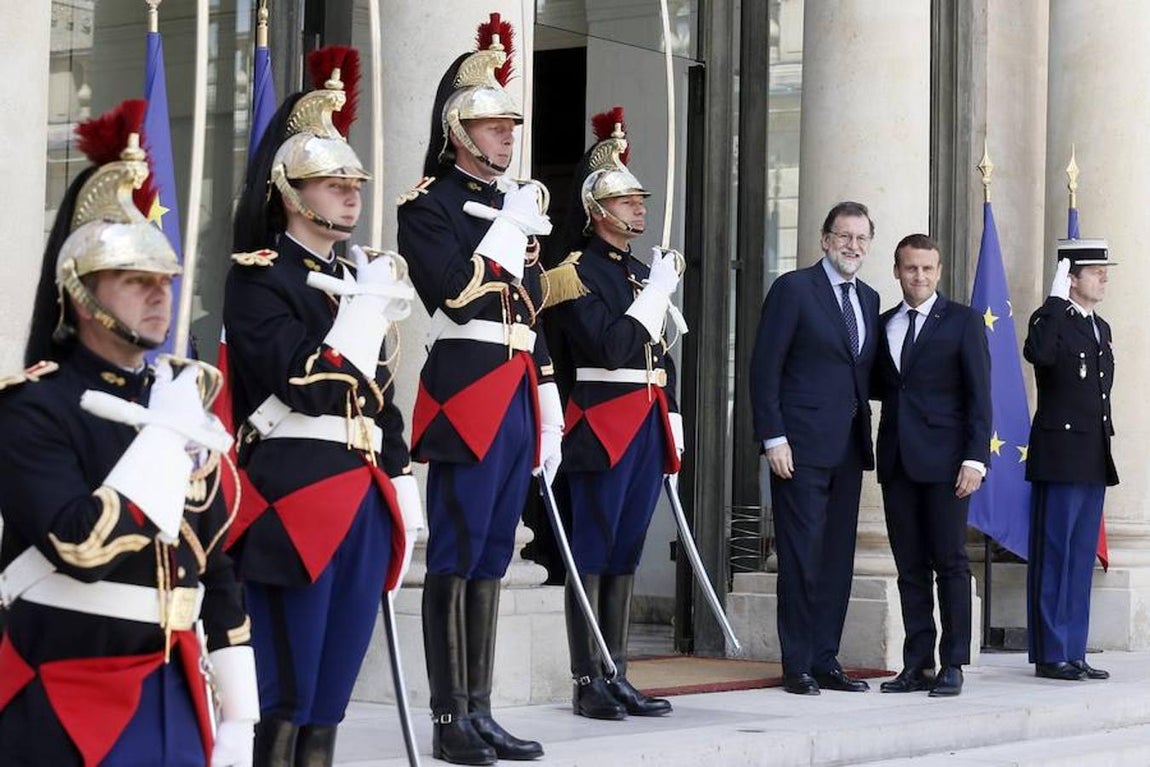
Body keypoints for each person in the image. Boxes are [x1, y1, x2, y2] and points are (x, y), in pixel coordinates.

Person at [0, 101, 258, 766]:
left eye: (164, 280)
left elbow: (213, 560)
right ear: (80, 292)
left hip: (173, 687)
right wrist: (165, 445)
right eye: (133, 279)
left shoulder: (173, 400)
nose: (159, 296)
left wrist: (241, 708)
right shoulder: (35, 408)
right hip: (68, 695)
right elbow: (78, 542)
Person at [223, 47, 422, 766]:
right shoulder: (260, 279)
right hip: (293, 497)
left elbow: (381, 398)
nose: (350, 195)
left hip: (362, 494)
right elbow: (301, 379)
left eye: (354, 183)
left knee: (332, 694)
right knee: (288, 691)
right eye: (331, 183)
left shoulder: (356, 277)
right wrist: (359, 314)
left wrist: (400, 478)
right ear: (289, 191)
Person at [397, 13, 559, 765]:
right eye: (493, 127)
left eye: (509, 128)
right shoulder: (425, 205)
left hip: (515, 387)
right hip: (466, 389)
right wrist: (507, 233)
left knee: (494, 553)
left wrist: (548, 402)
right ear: (460, 131)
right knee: (456, 553)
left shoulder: (511, 204)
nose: (506, 138)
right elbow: (457, 293)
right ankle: (446, 717)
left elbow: (530, 310)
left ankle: (482, 708)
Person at [543, 107, 683, 721]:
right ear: (597, 211)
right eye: (626, 202)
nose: (639, 209)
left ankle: (617, 670)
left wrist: (671, 410)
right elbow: (610, 347)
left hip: (646, 420)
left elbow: (661, 357)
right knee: (593, 551)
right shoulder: (574, 274)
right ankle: (586, 678)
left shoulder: (639, 271)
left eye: (639, 200)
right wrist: (652, 296)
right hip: (601, 422)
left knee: (625, 550)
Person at [749, 201, 881, 695]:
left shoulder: (868, 298)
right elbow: (765, 368)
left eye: (861, 238)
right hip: (798, 449)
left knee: (836, 557)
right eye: (843, 236)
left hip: (847, 448)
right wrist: (773, 437)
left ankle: (827, 658)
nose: (852, 246)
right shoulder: (794, 289)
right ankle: (797, 663)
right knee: (802, 556)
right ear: (825, 240)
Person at [871, 234, 991, 698]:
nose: (918, 276)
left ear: (938, 271)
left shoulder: (962, 322)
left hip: (948, 465)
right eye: (910, 268)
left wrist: (975, 459)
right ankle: (916, 662)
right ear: (897, 271)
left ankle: (953, 663)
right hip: (898, 462)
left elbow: (980, 397)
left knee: (951, 562)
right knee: (908, 567)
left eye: (927, 269)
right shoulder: (883, 325)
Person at [1023, 238, 1118, 681]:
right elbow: (1038, 354)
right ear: (1072, 276)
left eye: (1104, 271)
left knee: (1079, 557)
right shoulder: (1051, 320)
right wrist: (1056, 303)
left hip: (1091, 454)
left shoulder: (1101, 328)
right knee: (1056, 553)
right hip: (1060, 454)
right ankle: (1051, 651)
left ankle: (1074, 649)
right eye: (1094, 271)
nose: (1103, 277)